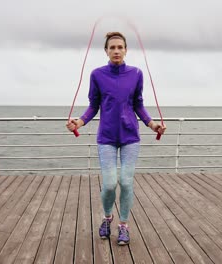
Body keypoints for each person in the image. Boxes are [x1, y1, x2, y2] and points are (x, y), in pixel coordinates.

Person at [66, 32, 166, 245]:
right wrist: (80, 122)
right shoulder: (97, 75)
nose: (116, 51)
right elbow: (94, 105)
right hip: (107, 138)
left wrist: (152, 124)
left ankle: (123, 226)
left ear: (126, 50)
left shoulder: (136, 73)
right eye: (112, 47)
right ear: (106, 51)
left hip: (131, 137)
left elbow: (138, 104)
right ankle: (107, 217)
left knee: (126, 183)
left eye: (120, 47)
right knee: (110, 184)